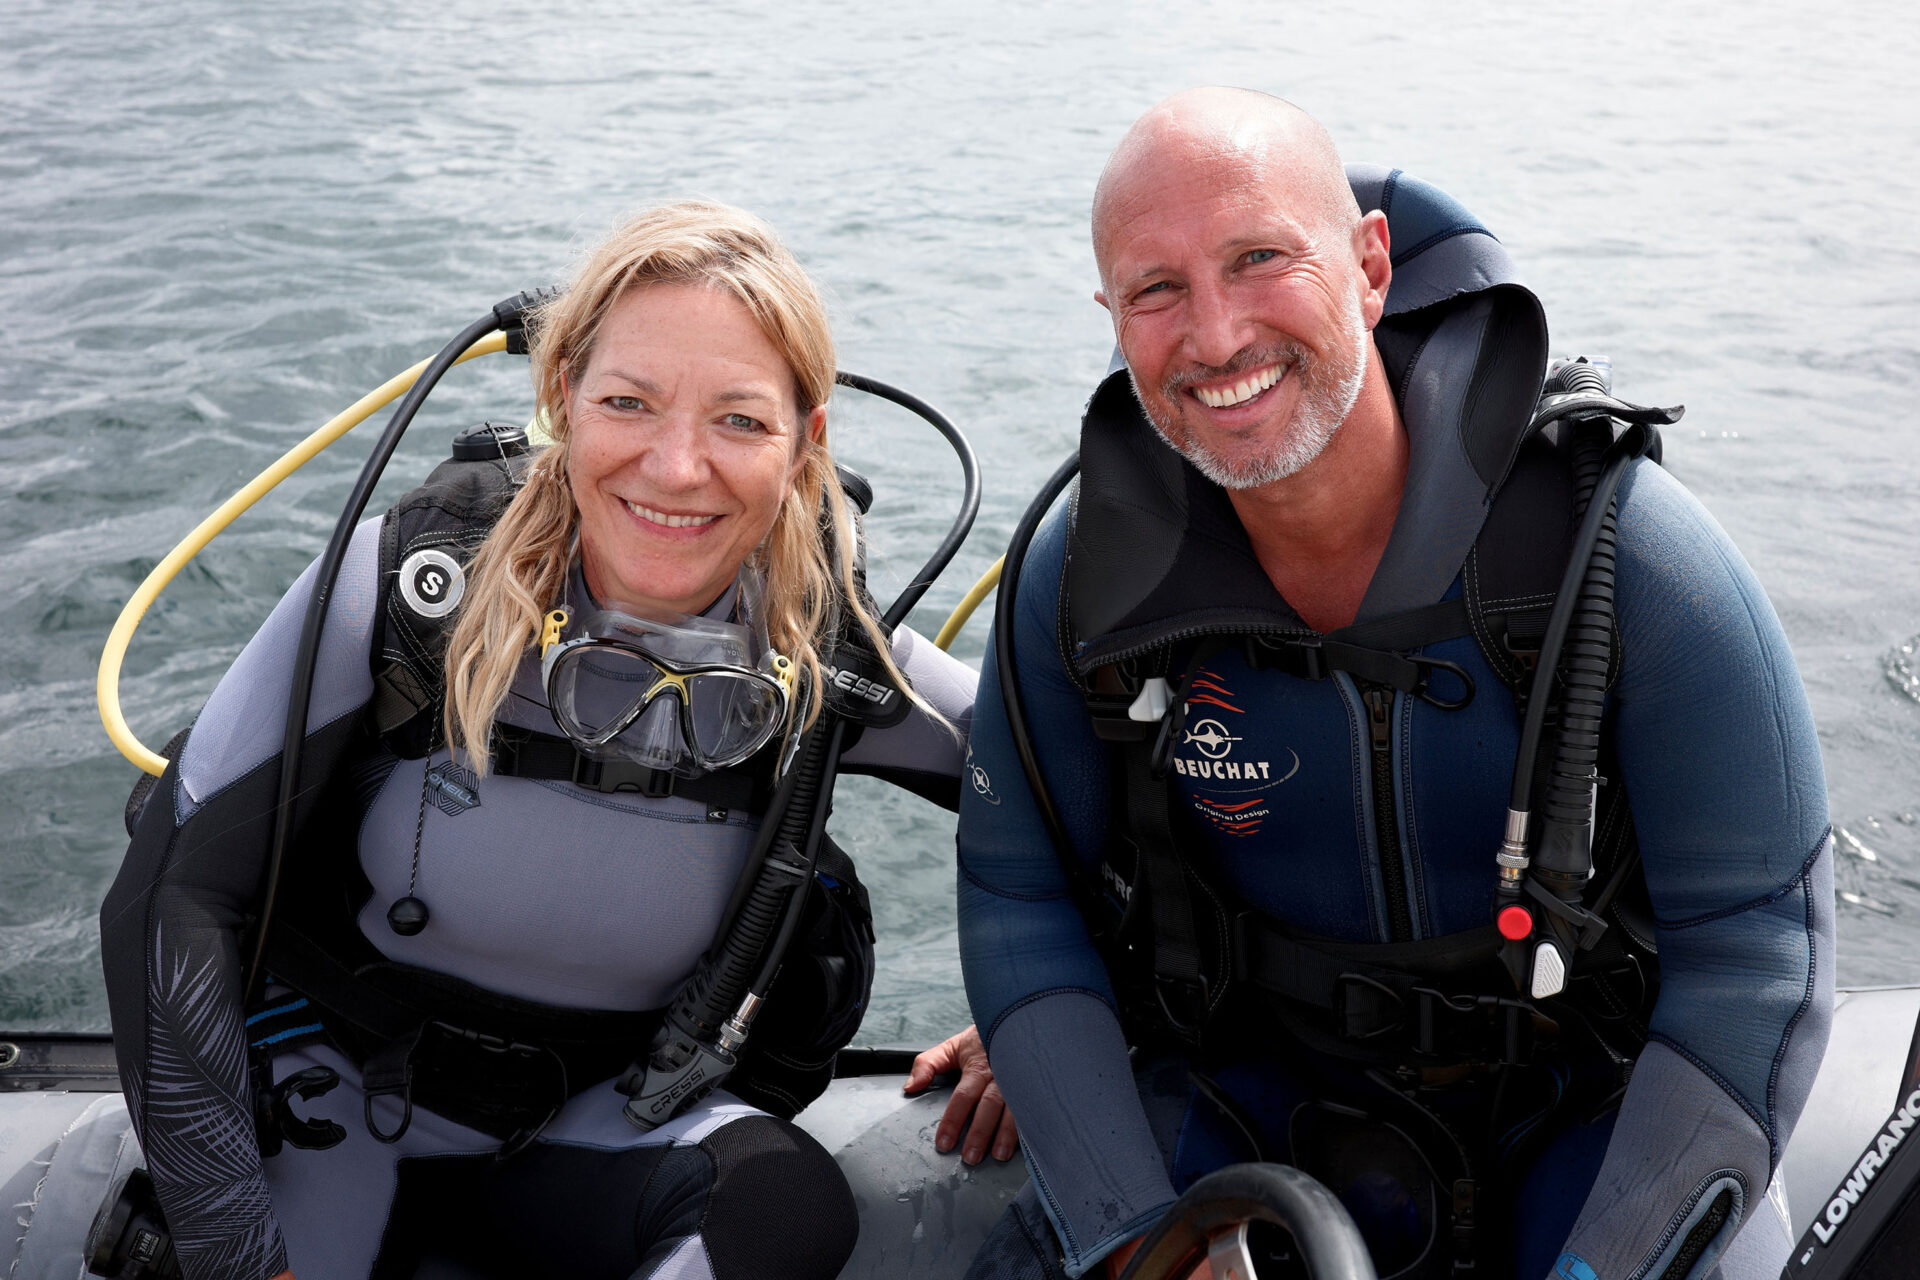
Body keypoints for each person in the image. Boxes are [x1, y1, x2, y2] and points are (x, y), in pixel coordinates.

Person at [957, 89, 1832, 1280]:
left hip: (1587, 1105)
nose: (1214, 336)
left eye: (1259, 258)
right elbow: (1018, 901)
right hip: (1252, 1097)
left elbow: (1758, 952)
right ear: (1112, 320)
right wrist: (1132, 1235)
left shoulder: (1614, 554)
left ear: (1370, 265)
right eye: (1157, 290)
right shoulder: (1083, 583)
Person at [101, 200, 1003, 1280]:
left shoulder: (826, 646)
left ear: (806, 444)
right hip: (329, 1110)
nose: (676, 468)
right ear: (562, 398)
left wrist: (1038, 1011)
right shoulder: (406, 588)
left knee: (781, 1205)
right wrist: (237, 1252)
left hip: (610, 1125)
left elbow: (1099, 807)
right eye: (629, 401)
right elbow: (172, 890)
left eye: (739, 420)